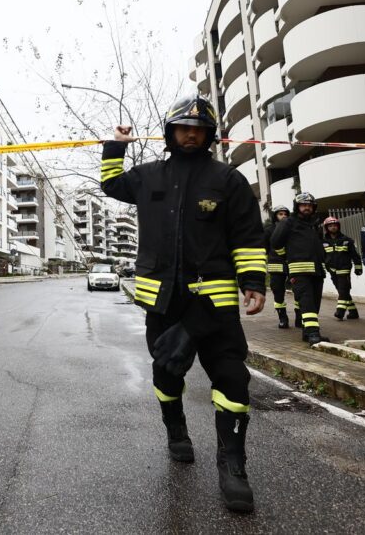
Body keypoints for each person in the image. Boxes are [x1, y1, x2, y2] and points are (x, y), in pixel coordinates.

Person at [101, 95, 266, 513]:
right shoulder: (148, 176)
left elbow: (247, 235)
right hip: (162, 301)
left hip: (214, 303)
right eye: (183, 127)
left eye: (199, 128)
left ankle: (233, 466)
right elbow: (110, 184)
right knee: (166, 371)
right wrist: (115, 146)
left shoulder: (228, 180)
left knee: (232, 380)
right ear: (171, 131)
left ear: (209, 134)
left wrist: (253, 281)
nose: (191, 133)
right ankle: (176, 429)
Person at [271, 192, 328, 345]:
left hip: (317, 270)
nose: (307, 208)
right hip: (299, 270)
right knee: (307, 301)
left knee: (315, 302)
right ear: (297, 207)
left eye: (309, 205)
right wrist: (288, 257)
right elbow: (276, 243)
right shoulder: (289, 222)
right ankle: (313, 334)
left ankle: (306, 331)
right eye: (303, 205)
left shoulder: (314, 224)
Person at [322, 217, 363, 320]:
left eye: (335, 225)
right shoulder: (323, 242)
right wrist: (324, 268)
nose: (333, 227)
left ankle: (340, 311)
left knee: (343, 289)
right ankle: (353, 312)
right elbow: (322, 257)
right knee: (342, 291)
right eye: (330, 226)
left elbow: (355, 255)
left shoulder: (347, 240)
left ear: (338, 226)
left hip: (344, 269)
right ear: (326, 228)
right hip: (332, 270)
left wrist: (358, 267)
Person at [264, 205, 291, 329]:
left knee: (299, 291)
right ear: (275, 216)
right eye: (280, 214)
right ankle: (282, 318)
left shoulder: (293, 228)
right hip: (275, 265)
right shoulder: (269, 230)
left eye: (285, 214)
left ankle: (300, 317)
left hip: (292, 264)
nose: (283, 216)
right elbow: (264, 248)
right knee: (278, 293)